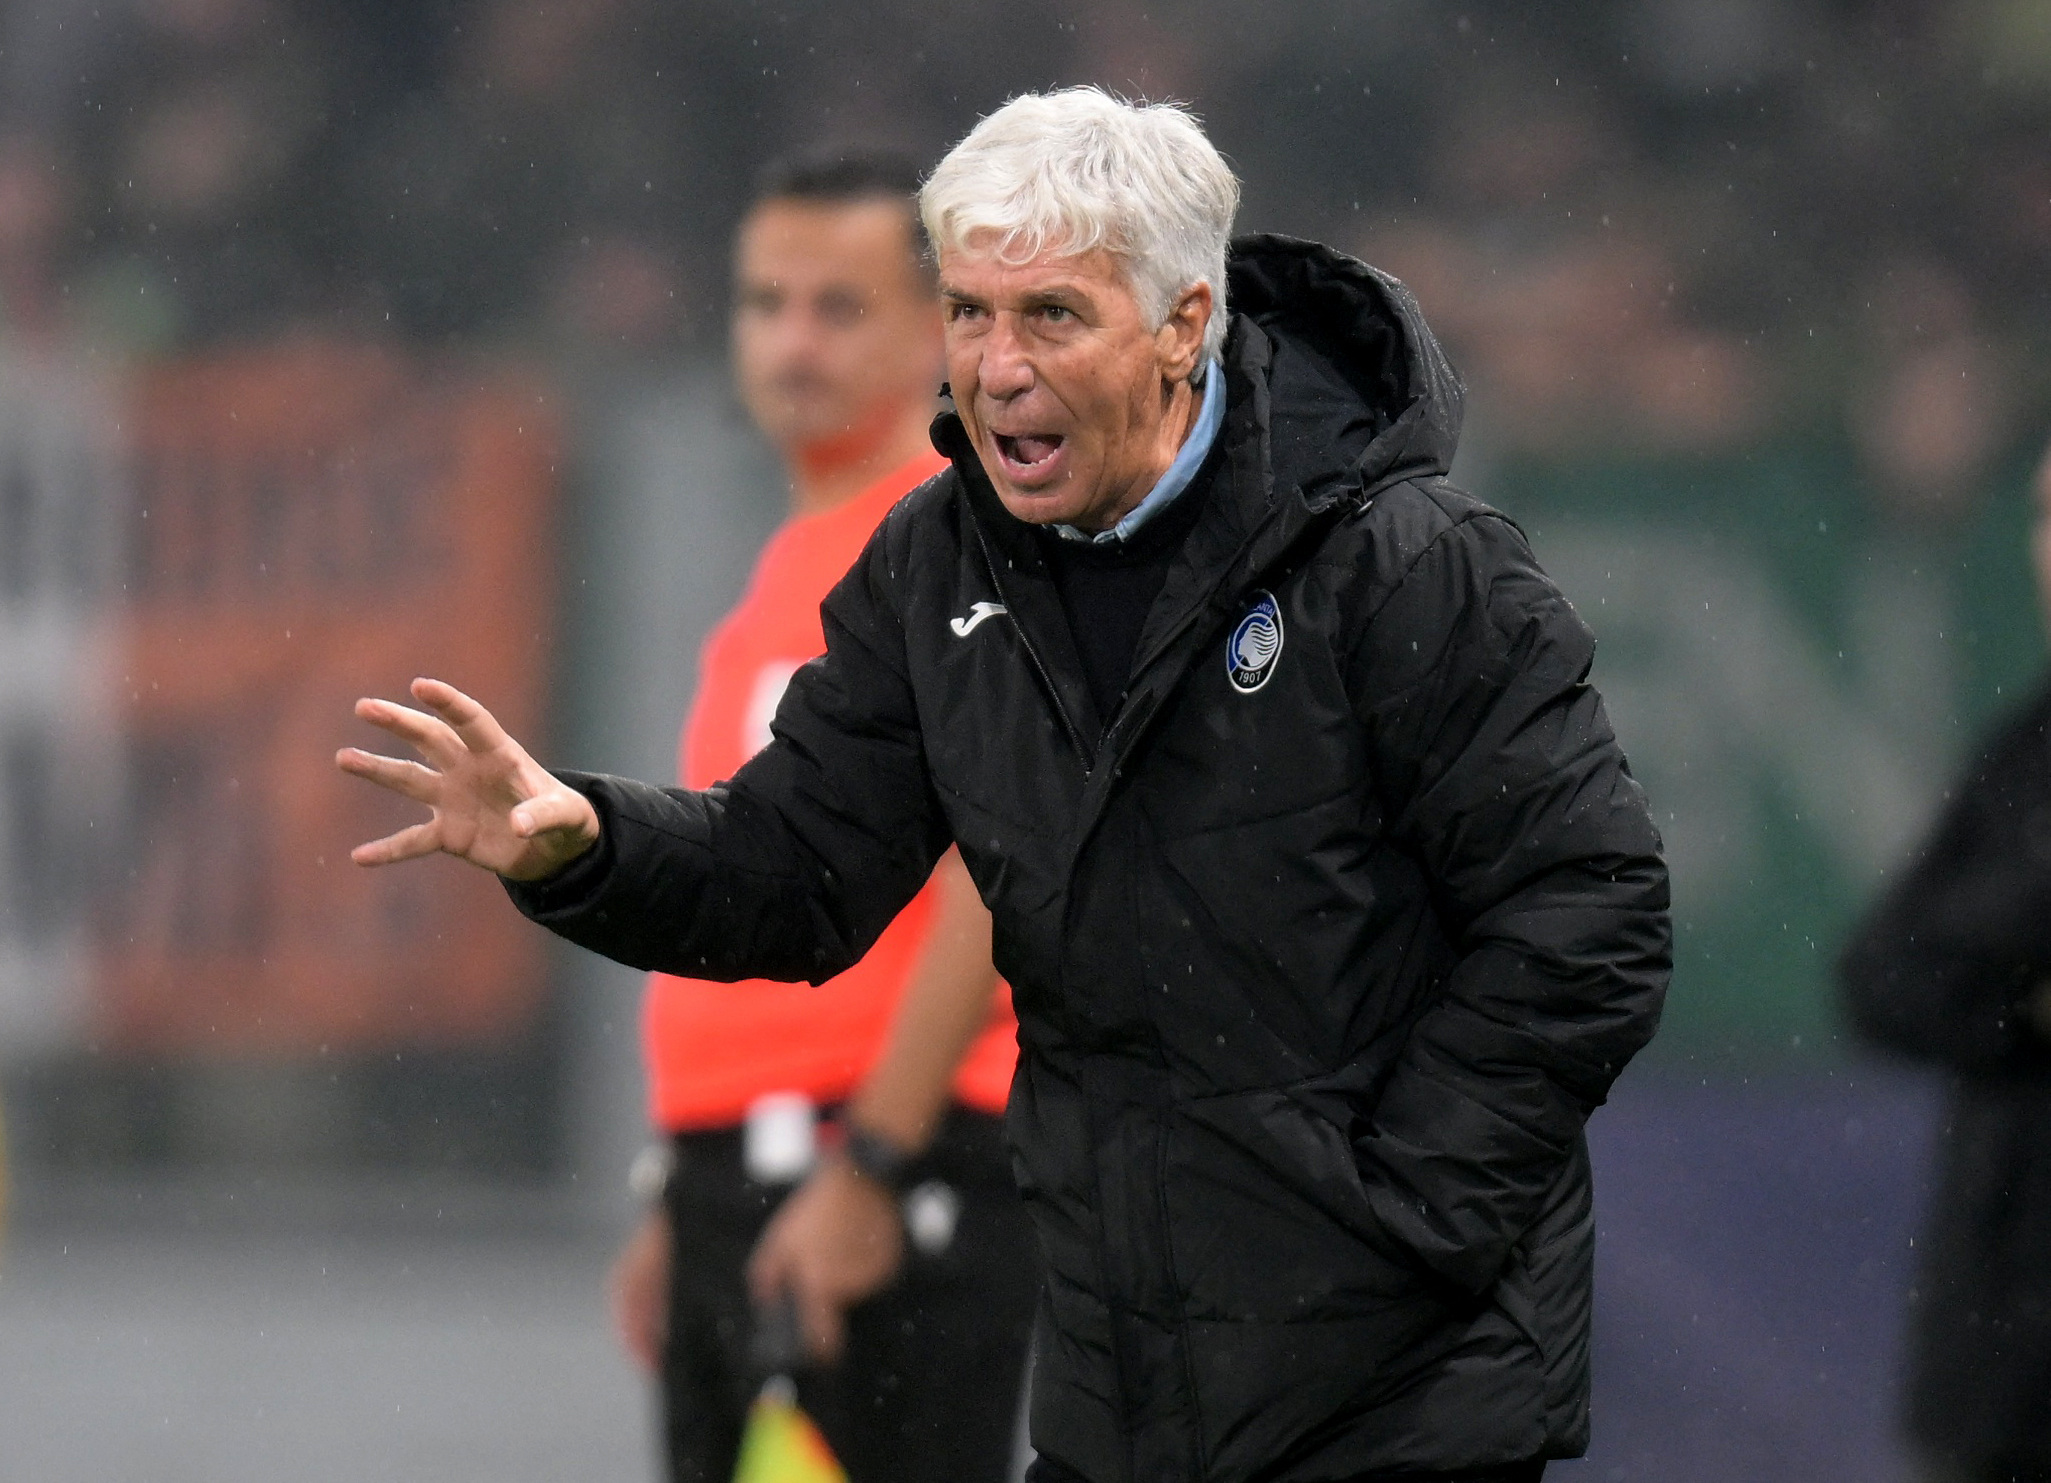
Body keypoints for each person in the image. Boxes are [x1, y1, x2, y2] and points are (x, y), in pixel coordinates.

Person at [338, 88, 1670, 1483]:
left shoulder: (1406, 561)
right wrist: (580, 842)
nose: (995, 366)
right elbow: (792, 870)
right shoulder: (933, 566)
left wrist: (1404, 1211)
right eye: (969, 313)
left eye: (1050, 316)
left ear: (1183, 324)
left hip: (1403, 1406)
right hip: (1118, 1400)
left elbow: (1590, 908)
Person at [608, 150, 1038, 1483]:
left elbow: (999, 876)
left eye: (837, 307)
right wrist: (685, 1179)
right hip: (752, 1170)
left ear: (935, 331)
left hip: (881, 1167)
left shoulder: (952, 548)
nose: (790, 342)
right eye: (764, 302)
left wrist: (874, 1162)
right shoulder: (795, 567)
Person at [1841, 442, 2051, 1483]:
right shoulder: (2023, 750)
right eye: (2043, 517)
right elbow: (1881, 975)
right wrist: (2023, 1006)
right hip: (2001, 1361)